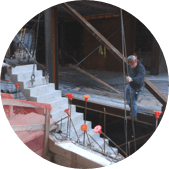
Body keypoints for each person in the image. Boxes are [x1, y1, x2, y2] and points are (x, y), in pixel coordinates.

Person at [125, 55, 145, 120]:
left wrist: (132, 79)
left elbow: (140, 79)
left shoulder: (141, 68)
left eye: (132, 66)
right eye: (130, 66)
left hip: (136, 87)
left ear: (136, 62)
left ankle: (134, 116)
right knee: (128, 98)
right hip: (130, 84)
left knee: (132, 101)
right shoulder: (131, 64)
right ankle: (129, 103)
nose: (131, 67)